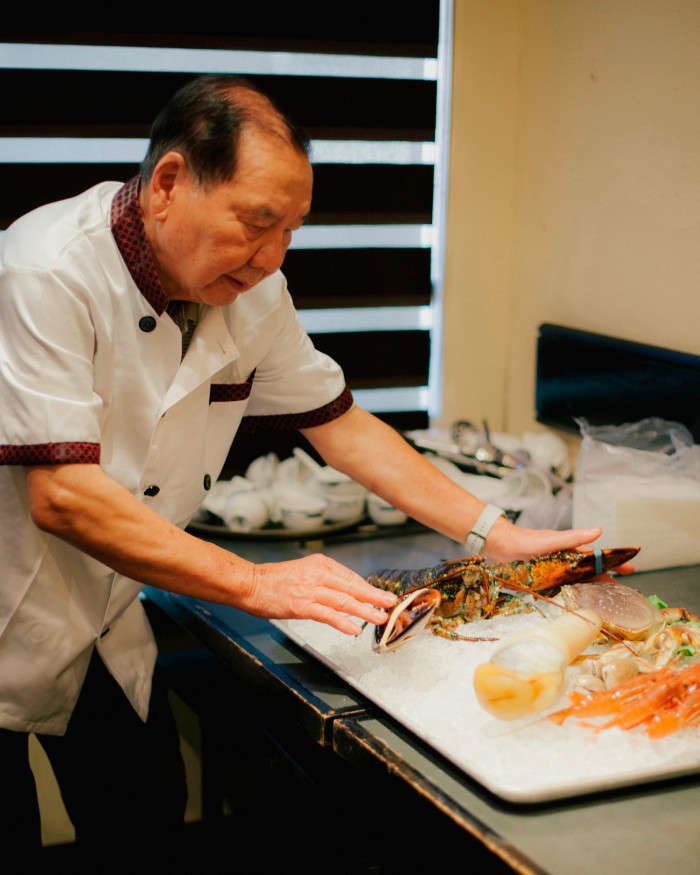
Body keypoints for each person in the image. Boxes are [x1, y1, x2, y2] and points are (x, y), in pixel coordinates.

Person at [0, 74, 622, 859]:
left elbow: (343, 427)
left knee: (145, 815)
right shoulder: (43, 269)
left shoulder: (252, 292)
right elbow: (62, 496)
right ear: (168, 184)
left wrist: (490, 529)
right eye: (258, 223)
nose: (273, 257)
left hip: (104, 613)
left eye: (292, 229)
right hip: (5, 599)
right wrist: (261, 584)